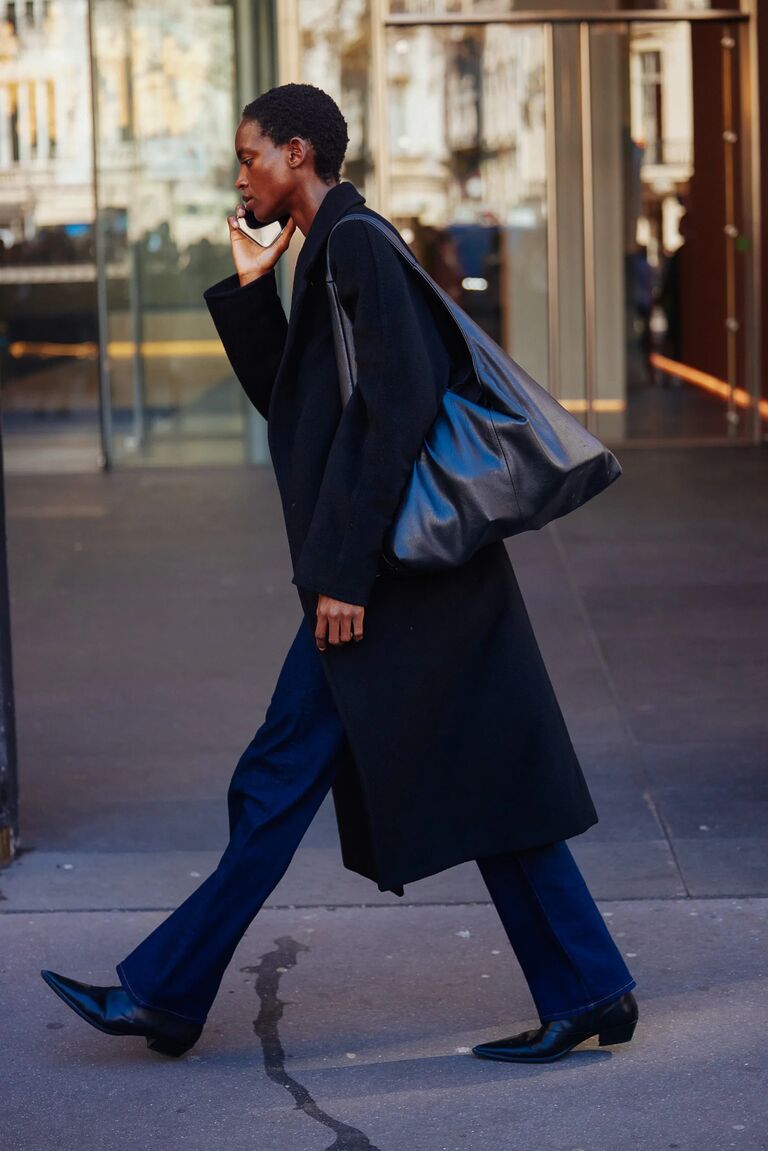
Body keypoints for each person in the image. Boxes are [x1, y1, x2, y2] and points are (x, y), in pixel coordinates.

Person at [41, 83, 637, 1065]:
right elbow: (301, 409)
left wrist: (348, 578)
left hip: (386, 582)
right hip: (403, 580)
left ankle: (166, 992)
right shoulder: (325, 254)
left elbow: (394, 415)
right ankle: (591, 985)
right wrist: (247, 287)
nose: (241, 176)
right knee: (482, 780)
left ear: (301, 156)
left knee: (279, 777)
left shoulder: (356, 244)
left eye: (252, 157)